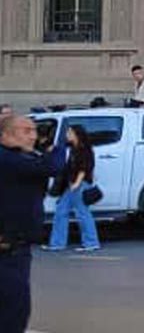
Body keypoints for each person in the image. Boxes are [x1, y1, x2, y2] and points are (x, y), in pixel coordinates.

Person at [0, 114, 66, 333]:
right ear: (5, 135)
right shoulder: (7, 159)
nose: (33, 136)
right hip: (7, 249)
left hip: (18, 248)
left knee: (15, 309)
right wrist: (58, 147)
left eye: (35, 131)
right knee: (13, 310)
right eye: (26, 131)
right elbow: (52, 167)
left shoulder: (21, 157)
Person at [44, 124, 100, 253]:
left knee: (82, 213)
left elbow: (84, 168)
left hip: (79, 185)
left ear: (76, 134)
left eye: (69, 133)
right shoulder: (73, 148)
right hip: (72, 185)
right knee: (61, 211)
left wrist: (76, 183)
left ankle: (91, 243)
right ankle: (57, 244)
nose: (67, 135)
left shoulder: (84, 149)